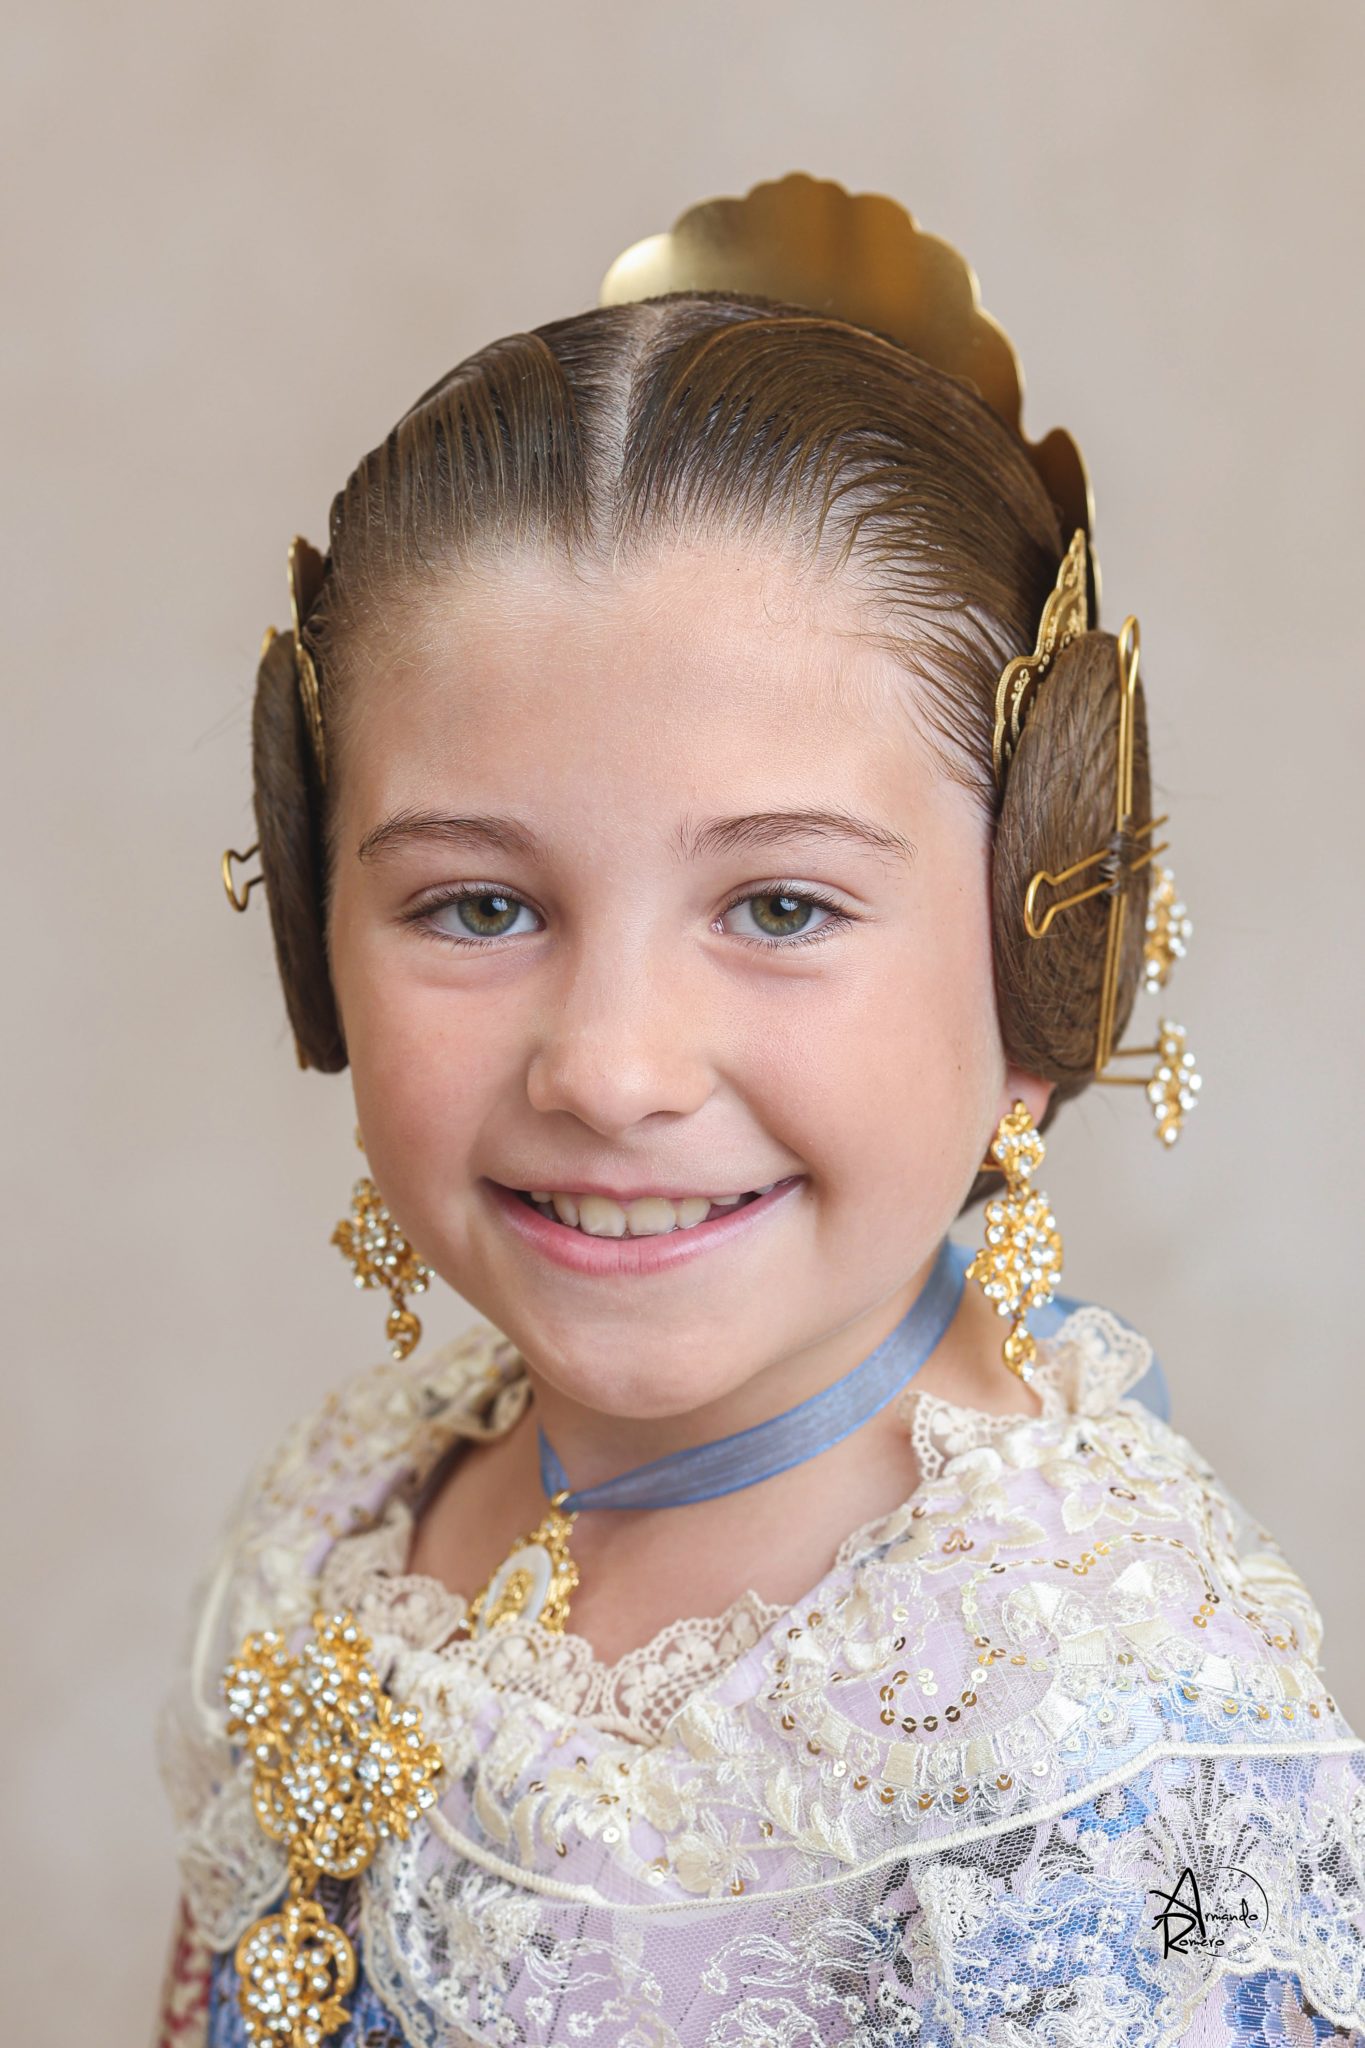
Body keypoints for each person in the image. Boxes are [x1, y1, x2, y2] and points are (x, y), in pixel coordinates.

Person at [155, 174, 1365, 2047]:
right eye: (478, 907)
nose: (610, 1069)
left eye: (781, 908)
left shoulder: (1104, 1757)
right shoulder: (355, 1505)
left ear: (1046, 951)